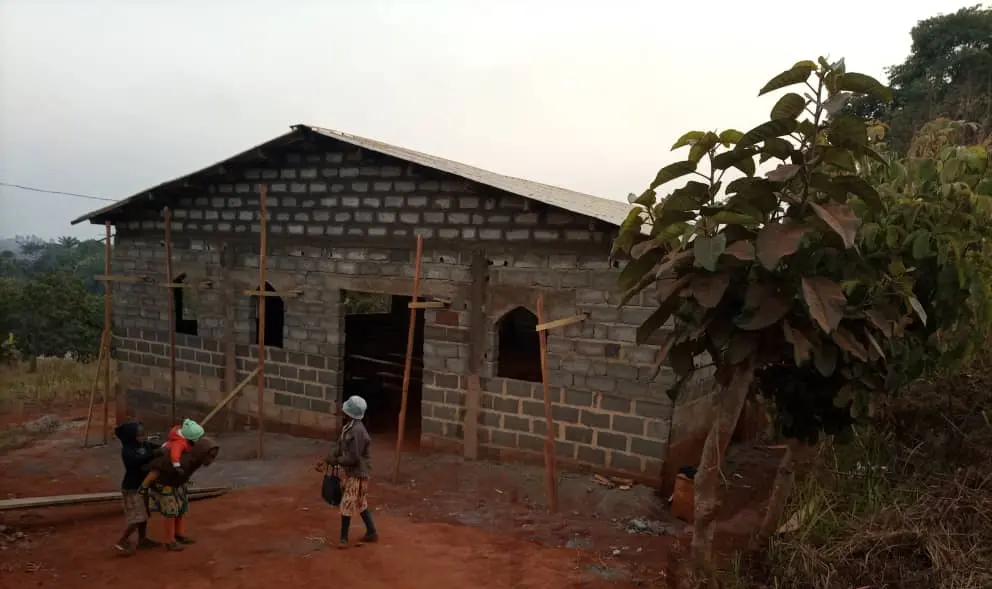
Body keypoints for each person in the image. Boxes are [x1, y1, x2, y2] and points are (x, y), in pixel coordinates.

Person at [141, 436, 220, 552]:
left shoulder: (195, 460)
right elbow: (157, 469)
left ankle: (178, 534)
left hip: (174, 483)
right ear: (202, 452)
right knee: (171, 511)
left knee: (180, 507)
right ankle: (170, 541)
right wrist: (144, 486)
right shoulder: (183, 460)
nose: (211, 459)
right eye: (210, 455)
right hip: (161, 483)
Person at [324, 395, 377, 548]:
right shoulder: (350, 427)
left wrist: (336, 460)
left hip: (357, 474)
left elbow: (353, 457)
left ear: (350, 413)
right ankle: (371, 532)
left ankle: (343, 538)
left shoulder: (357, 431)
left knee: (347, 503)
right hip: (357, 472)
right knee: (360, 502)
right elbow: (340, 445)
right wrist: (331, 455)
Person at [113, 420, 162, 555]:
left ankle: (142, 539)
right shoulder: (127, 451)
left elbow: (158, 448)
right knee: (138, 517)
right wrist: (153, 454)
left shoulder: (144, 445)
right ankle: (122, 540)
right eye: (139, 435)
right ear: (131, 436)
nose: (143, 437)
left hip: (143, 486)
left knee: (144, 514)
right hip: (132, 488)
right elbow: (136, 462)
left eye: (143, 434)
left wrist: (168, 446)